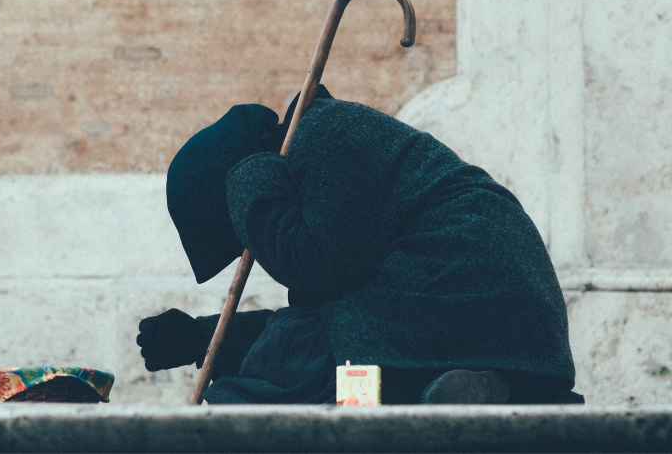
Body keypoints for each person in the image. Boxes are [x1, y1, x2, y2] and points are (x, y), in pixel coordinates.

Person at [136, 88, 583, 404]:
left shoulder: (325, 132)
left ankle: (419, 390)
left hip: (464, 298)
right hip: (473, 323)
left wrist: (247, 182)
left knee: (280, 369)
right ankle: (430, 389)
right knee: (322, 360)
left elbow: (314, 272)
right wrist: (202, 338)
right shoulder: (332, 145)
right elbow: (331, 312)